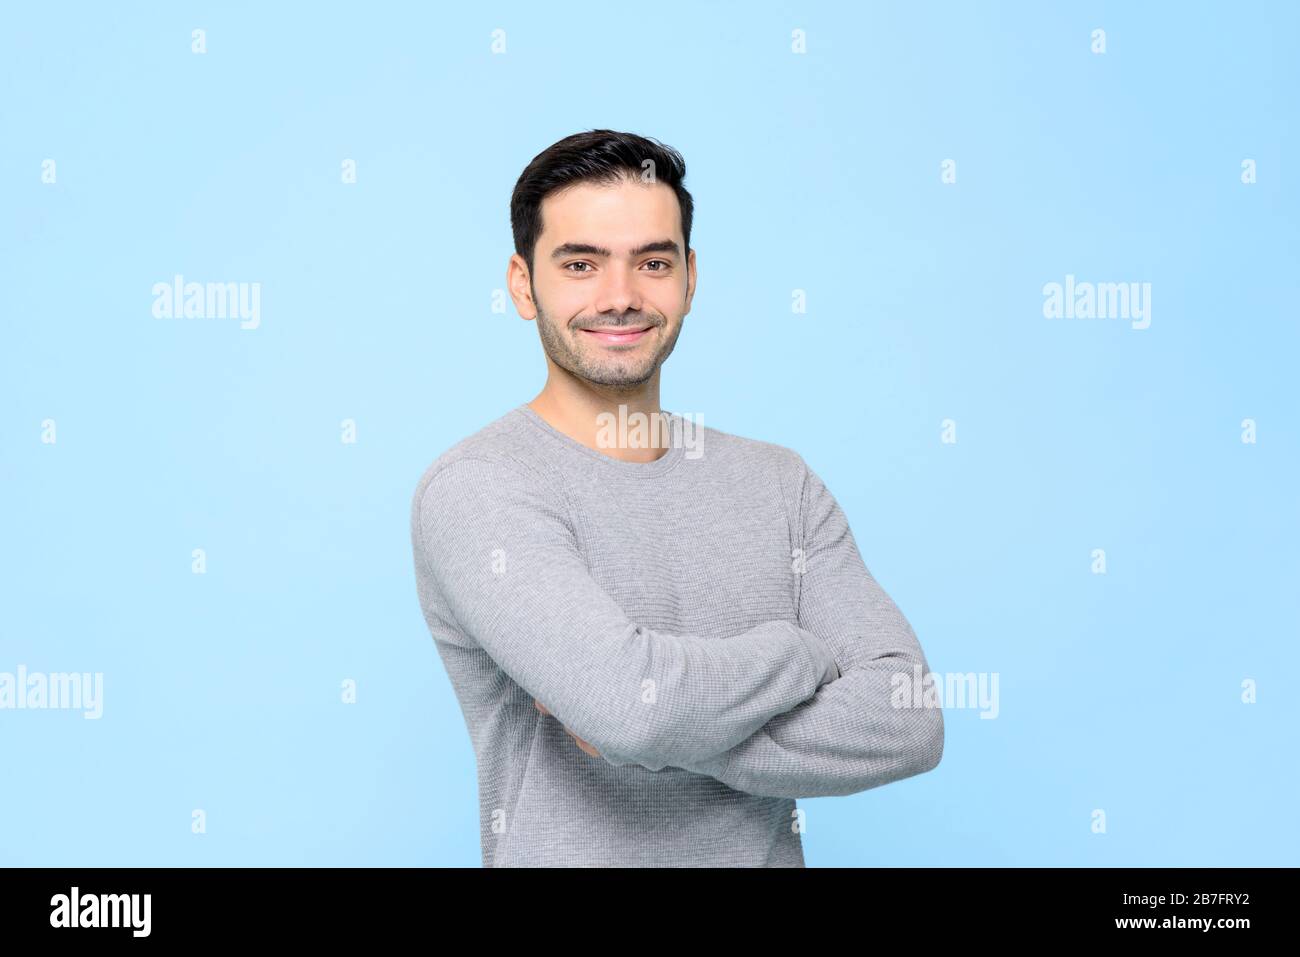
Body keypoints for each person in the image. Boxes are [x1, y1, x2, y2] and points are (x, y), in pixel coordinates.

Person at [409, 129, 943, 867]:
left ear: (690, 278)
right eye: (580, 263)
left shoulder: (779, 483)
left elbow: (910, 715)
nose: (620, 296)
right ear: (522, 284)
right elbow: (632, 708)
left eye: (652, 262)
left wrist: (669, 732)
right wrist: (798, 655)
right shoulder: (479, 489)